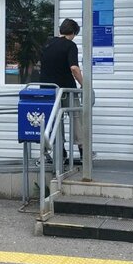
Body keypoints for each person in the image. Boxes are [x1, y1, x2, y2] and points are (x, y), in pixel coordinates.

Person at [39, 18, 85, 164]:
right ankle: (83, 151)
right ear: (73, 33)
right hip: (65, 90)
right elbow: (74, 68)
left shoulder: (47, 43)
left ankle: (59, 151)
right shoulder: (70, 45)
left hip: (47, 90)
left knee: (54, 120)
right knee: (76, 117)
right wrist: (84, 85)